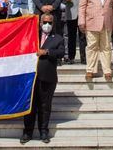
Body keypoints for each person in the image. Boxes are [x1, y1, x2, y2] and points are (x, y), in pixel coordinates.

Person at [21, 13, 65, 144]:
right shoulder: (31, 35)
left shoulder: (57, 38)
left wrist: (46, 52)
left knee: (45, 106)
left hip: (48, 77)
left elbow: (61, 52)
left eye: (50, 23)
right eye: (45, 22)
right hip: (31, 78)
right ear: (40, 22)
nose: (47, 25)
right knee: (30, 106)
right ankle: (27, 132)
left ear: (53, 24)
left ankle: (43, 132)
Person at [78, 0, 113, 81]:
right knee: (92, 47)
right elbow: (82, 7)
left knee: (106, 47)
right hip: (91, 22)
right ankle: (90, 70)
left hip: (107, 22)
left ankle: (107, 70)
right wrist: (81, 21)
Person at [62, 0, 92, 64]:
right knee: (71, 36)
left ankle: (84, 58)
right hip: (71, 11)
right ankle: (71, 57)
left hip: (84, 12)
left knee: (83, 37)